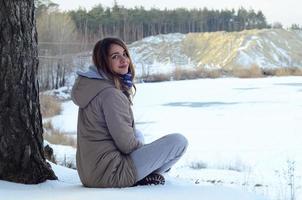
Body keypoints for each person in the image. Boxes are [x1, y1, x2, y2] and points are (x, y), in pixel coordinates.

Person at [71, 37, 188, 188]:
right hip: (111, 173)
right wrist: (156, 156)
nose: (123, 59)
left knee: (137, 134)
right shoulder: (111, 94)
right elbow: (126, 145)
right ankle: (146, 175)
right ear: (103, 62)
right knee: (179, 142)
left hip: (90, 173)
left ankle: (148, 172)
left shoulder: (93, 86)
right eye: (115, 56)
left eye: (124, 54)